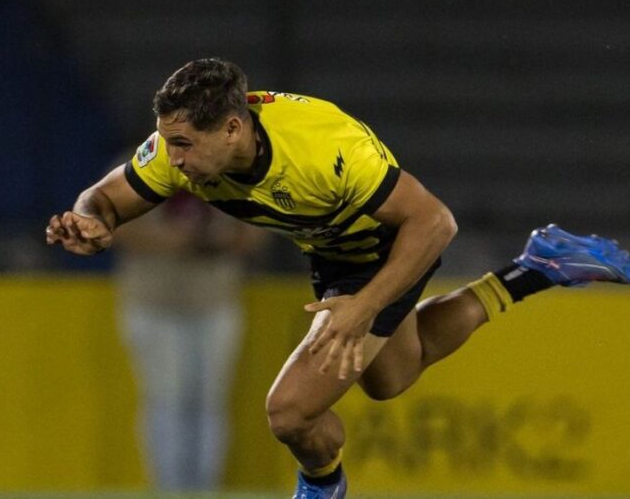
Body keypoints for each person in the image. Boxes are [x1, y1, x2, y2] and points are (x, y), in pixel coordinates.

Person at [45, 58, 630, 499]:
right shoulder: (184, 145)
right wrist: (91, 221)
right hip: (335, 255)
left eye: (181, 146)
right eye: (167, 141)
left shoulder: (322, 149)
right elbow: (107, 197)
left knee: (291, 412)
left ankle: (323, 487)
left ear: (231, 128)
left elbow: (434, 222)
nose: (170, 160)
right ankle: (537, 268)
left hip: (393, 244)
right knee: (393, 376)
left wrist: (361, 307)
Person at [113, 190, 266, 490]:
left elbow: (253, 234)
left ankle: (205, 489)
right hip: (153, 303)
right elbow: (113, 227)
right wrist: (179, 240)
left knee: (210, 403)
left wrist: (217, 240)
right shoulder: (136, 163)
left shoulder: (231, 167)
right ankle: (169, 489)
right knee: (165, 402)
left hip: (215, 302)